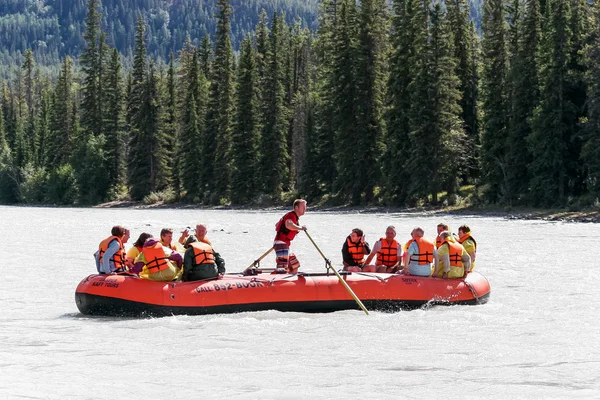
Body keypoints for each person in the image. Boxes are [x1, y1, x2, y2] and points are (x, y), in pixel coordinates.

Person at [273, 199, 307, 273]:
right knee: (282, 266)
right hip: (281, 243)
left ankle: (292, 280)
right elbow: (288, 225)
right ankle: (279, 280)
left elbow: (277, 225)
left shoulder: (293, 217)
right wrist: (301, 228)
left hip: (285, 244)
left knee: (295, 265)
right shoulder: (291, 215)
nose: (305, 209)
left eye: (305, 207)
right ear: (296, 208)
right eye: (303, 207)